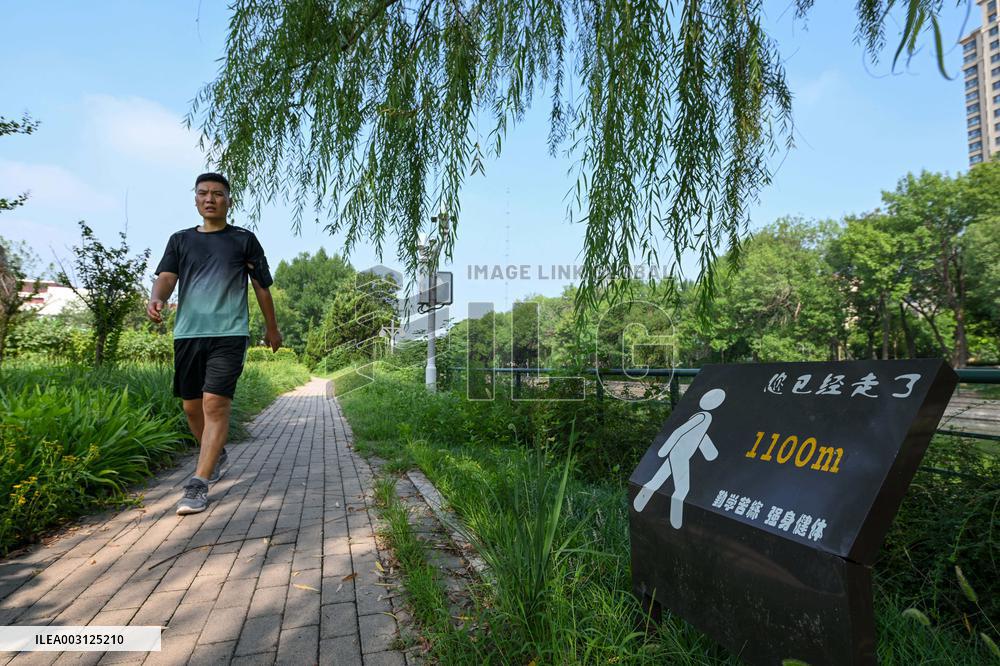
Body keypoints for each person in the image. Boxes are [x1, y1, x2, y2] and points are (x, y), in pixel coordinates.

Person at [147, 172, 282, 515]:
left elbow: (261, 286)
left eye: (218, 194)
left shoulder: (243, 240)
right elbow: (166, 277)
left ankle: (198, 483)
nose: (210, 199)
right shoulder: (180, 240)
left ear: (228, 201)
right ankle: (216, 453)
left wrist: (272, 328)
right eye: (203, 193)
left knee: (215, 405)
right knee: (192, 408)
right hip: (189, 334)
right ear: (195, 199)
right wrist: (157, 297)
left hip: (230, 333)